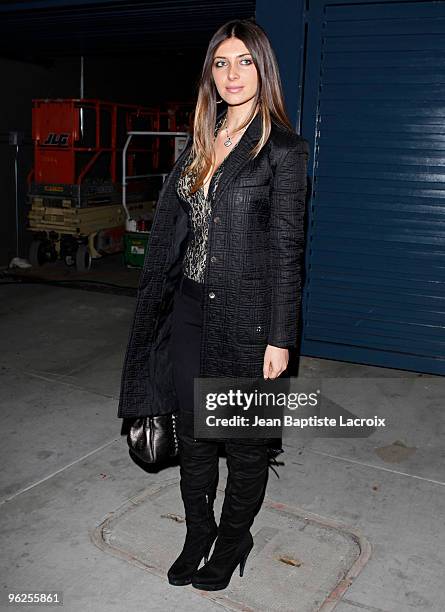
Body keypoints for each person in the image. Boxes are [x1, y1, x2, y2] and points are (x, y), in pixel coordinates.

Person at [117, 18, 309, 592]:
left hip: (249, 320)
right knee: (195, 435)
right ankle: (197, 532)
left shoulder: (284, 151)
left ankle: (233, 539)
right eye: (222, 63)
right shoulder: (198, 141)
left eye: (245, 61)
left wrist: (281, 335)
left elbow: (287, 250)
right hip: (188, 310)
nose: (232, 74)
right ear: (210, 74)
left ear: (263, 69)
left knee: (244, 445)